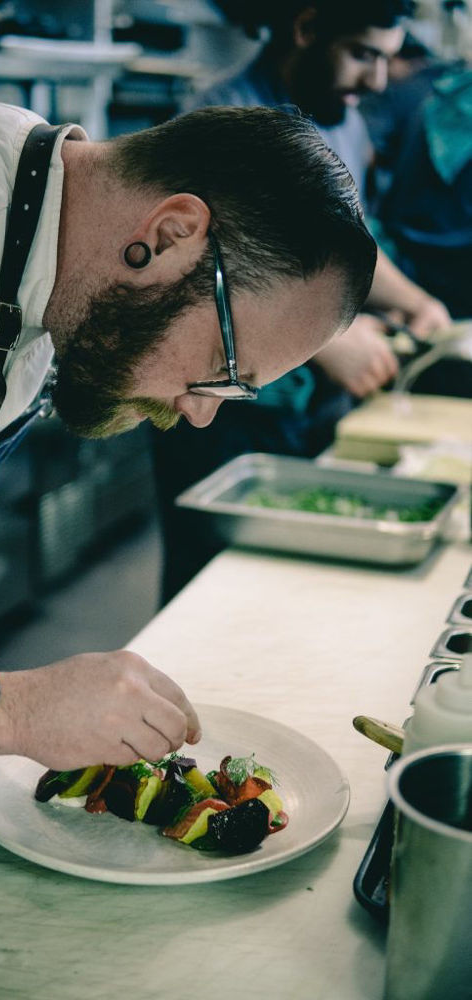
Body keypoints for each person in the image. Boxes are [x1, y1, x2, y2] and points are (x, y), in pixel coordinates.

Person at [0, 96, 374, 940]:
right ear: (175, 229)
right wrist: (18, 712)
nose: (200, 414)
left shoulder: (49, 202)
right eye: (221, 368)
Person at [150, 0, 454, 601]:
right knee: (210, 591)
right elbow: (205, 273)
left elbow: (348, 241)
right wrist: (329, 338)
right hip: (222, 407)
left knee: (291, 587)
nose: (376, 81)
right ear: (307, 27)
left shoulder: (340, 116)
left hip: (301, 407)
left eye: (385, 60)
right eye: (363, 54)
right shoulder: (222, 120)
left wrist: (414, 302)